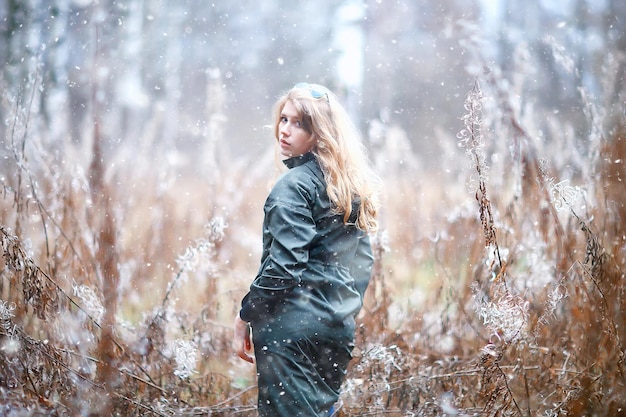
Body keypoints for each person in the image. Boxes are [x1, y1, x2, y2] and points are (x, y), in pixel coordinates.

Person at [233, 82, 380, 416]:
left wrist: (246, 315)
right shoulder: (346, 188)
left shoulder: (293, 187)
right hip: (335, 332)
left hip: (289, 333)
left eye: (299, 124)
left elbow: (283, 270)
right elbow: (363, 263)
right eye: (283, 120)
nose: (285, 131)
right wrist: (335, 312)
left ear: (320, 133)